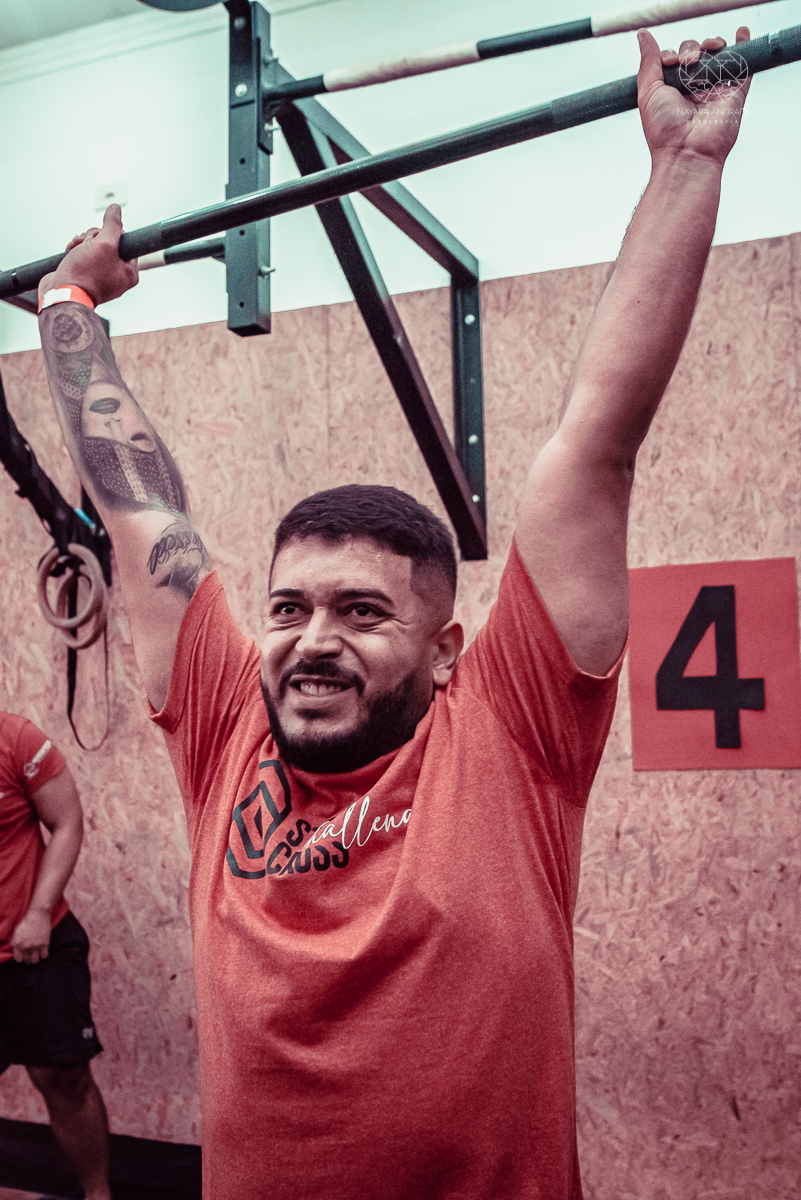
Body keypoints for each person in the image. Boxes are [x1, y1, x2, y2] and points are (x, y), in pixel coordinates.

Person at [36, 26, 750, 1200]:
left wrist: (685, 167)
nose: (312, 641)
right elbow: (135, 503)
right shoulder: (228, 729)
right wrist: (69, 299)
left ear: (446, 647)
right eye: (290, 608)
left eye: (361, 612)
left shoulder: (511, 735)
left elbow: (594, 449)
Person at [0, 712, 110, 1200]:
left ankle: (98, 1195)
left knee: (63, 1078)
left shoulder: (15, 739)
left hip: (33, 948)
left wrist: (40, 910)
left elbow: (67, 821)